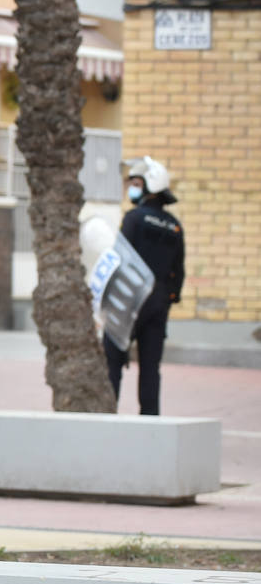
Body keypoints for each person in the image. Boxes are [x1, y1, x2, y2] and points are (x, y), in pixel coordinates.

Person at [104, 156, 185, 415]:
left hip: (128, 302)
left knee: (112, 361)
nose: (132, 188)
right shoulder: (175, 226)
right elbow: (178, 272)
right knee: (151, 368)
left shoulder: (134, 218)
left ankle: (107, 417)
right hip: (158, 304)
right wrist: (167, 298)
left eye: (136, 182)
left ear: (151, 185)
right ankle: (150, 421)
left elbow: (118, 258)